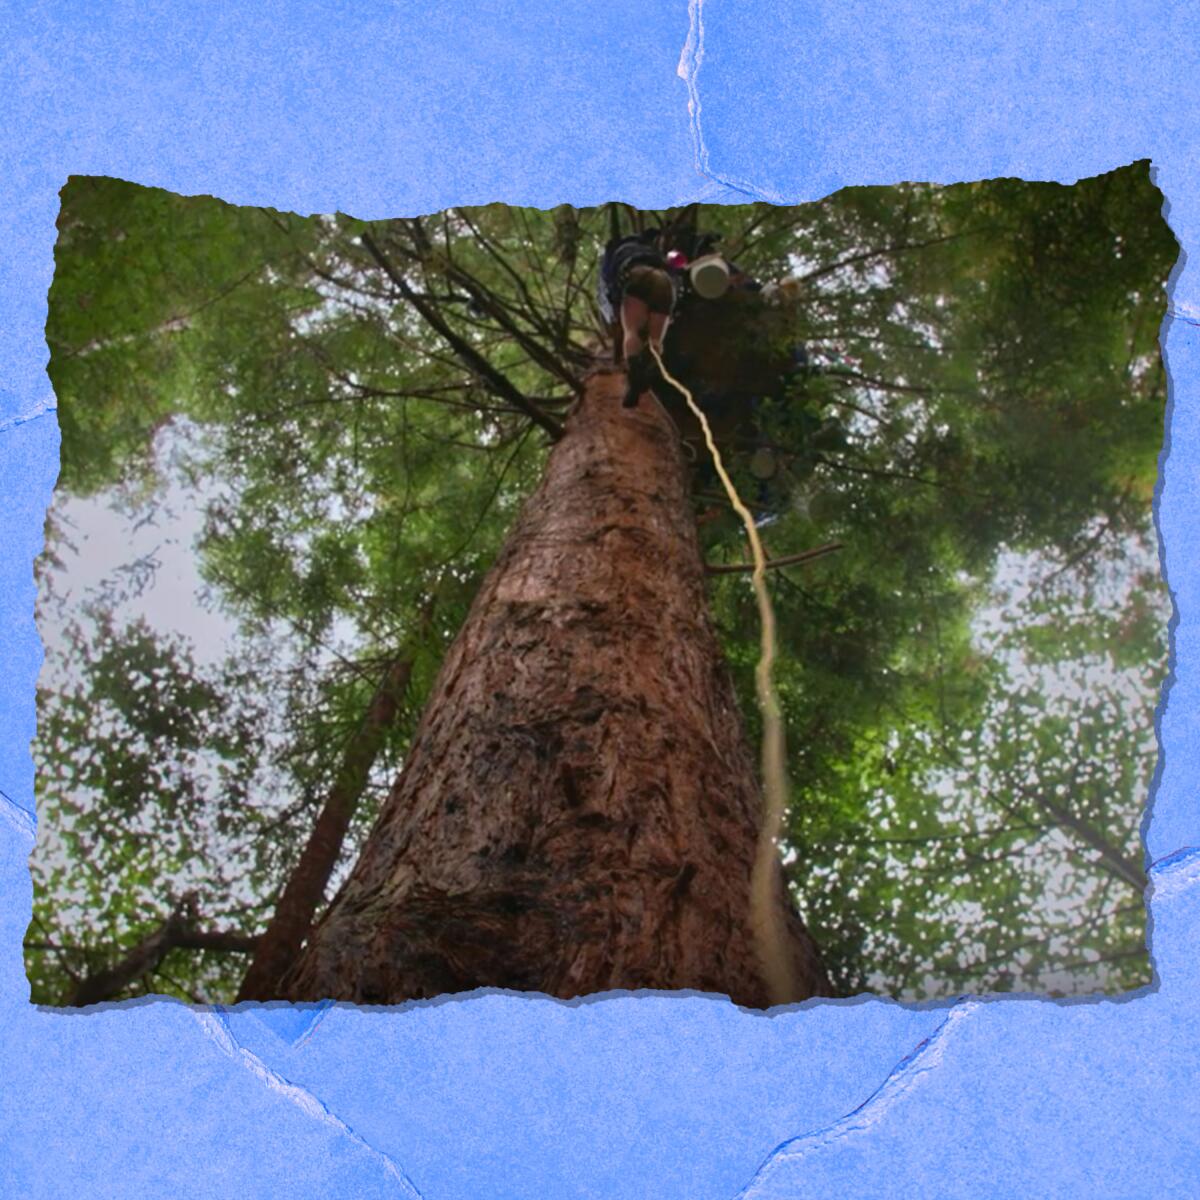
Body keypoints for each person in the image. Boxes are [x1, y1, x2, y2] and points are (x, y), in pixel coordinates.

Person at [599, 230, 678, 407]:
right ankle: (649, 369)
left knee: (631, 331)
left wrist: (615, 304)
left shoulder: (616, 251)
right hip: (665, 282)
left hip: (636, 276)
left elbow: (608, 280)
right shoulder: (651, 250)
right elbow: (674, 265)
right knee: (655, 340)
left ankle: (635, 375)